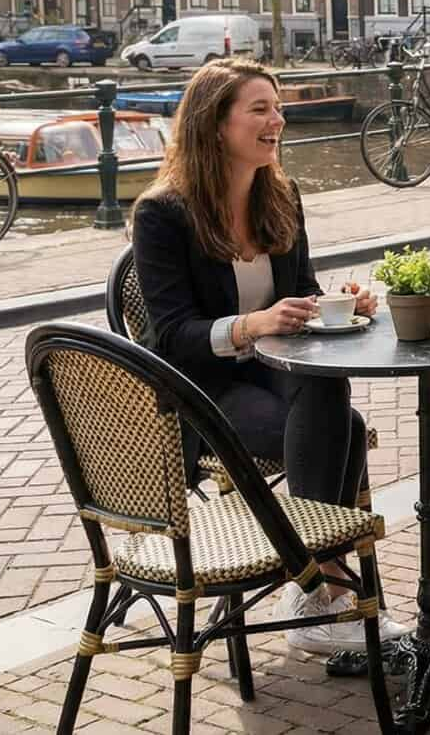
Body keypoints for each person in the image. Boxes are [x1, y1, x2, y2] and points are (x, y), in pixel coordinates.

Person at [130, 58, 402, 655]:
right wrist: (251, 325)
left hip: (273, 368)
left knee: (329, 396)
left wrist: (339, 302)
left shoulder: (281, 194)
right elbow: (168, 334)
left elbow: (299, 288)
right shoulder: (163, 213)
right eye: (260, 108)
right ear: (214, 123)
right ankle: (323, 586)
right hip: (201, 389)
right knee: (343, 429)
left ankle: (313, 593)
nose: (277, 119)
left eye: (276, 107)